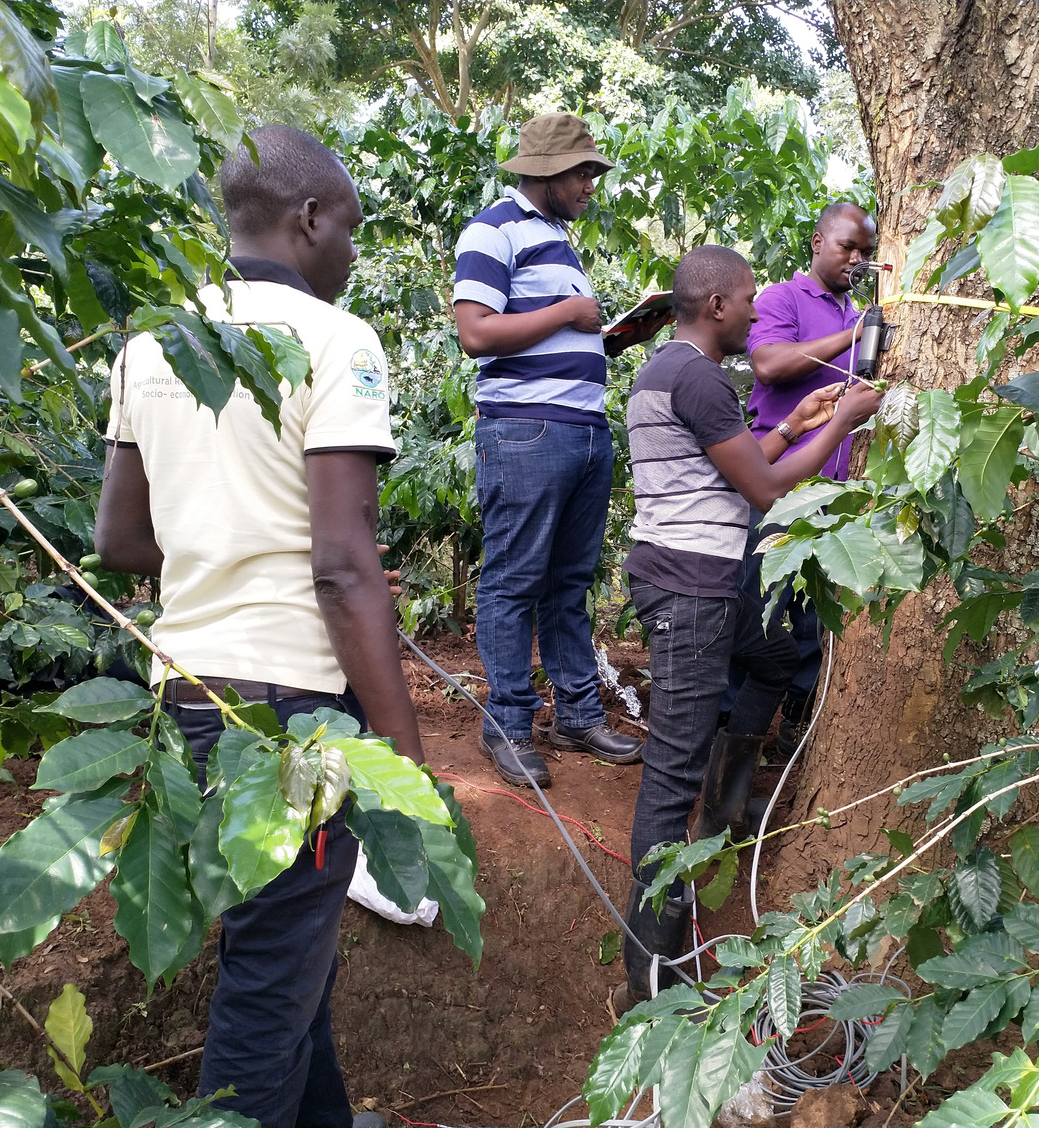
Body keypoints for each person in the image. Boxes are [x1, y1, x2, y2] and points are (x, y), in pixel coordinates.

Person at [95, 124, 421, 1128]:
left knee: (279, 946)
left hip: (183, 702)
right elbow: (341, 565)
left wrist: (230, 547)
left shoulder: (153, 342)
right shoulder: (334, 339)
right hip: (290, 720)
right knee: (265, 990)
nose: (353, 253)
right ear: (310, 217)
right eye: (353, 230)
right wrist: (406, 766)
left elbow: (120, 537)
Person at [614, 245, 881, 1014]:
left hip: (702, 579)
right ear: (717, 306)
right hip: (689, 590)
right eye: (748, 300)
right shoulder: (694, 375)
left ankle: (726, 809)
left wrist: (797, 420)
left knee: (772, 656)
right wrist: (844, 424)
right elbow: (764, 489)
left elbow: (729, 472)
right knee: (669, 770)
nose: (756, 313)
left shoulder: (673, 372)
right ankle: (650, 974)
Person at [453, 112, 656, 788]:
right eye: (582, 172)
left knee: (569, 585)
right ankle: (507, 725)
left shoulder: (557, 242)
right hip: (526, 431)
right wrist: (571, 315)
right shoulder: (494, 229)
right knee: (513, 581)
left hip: (581, 432)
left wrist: (608, 337)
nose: (591, 184)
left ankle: (575, 713)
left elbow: (544, 335)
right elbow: (477, 333)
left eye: (592, 172)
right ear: (544, 173)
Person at [733, 202, 880, 752]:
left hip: (838, 491)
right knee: (755, 599)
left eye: (866, 252)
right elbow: (769, 364)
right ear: (817, 242)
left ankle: (795, 724)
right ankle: (729, 724)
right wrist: (853, 337)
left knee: (819, 613)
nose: (856, 259)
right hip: (778, 479)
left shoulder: (860, 313)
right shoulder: (781, 299)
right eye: (847, 247)